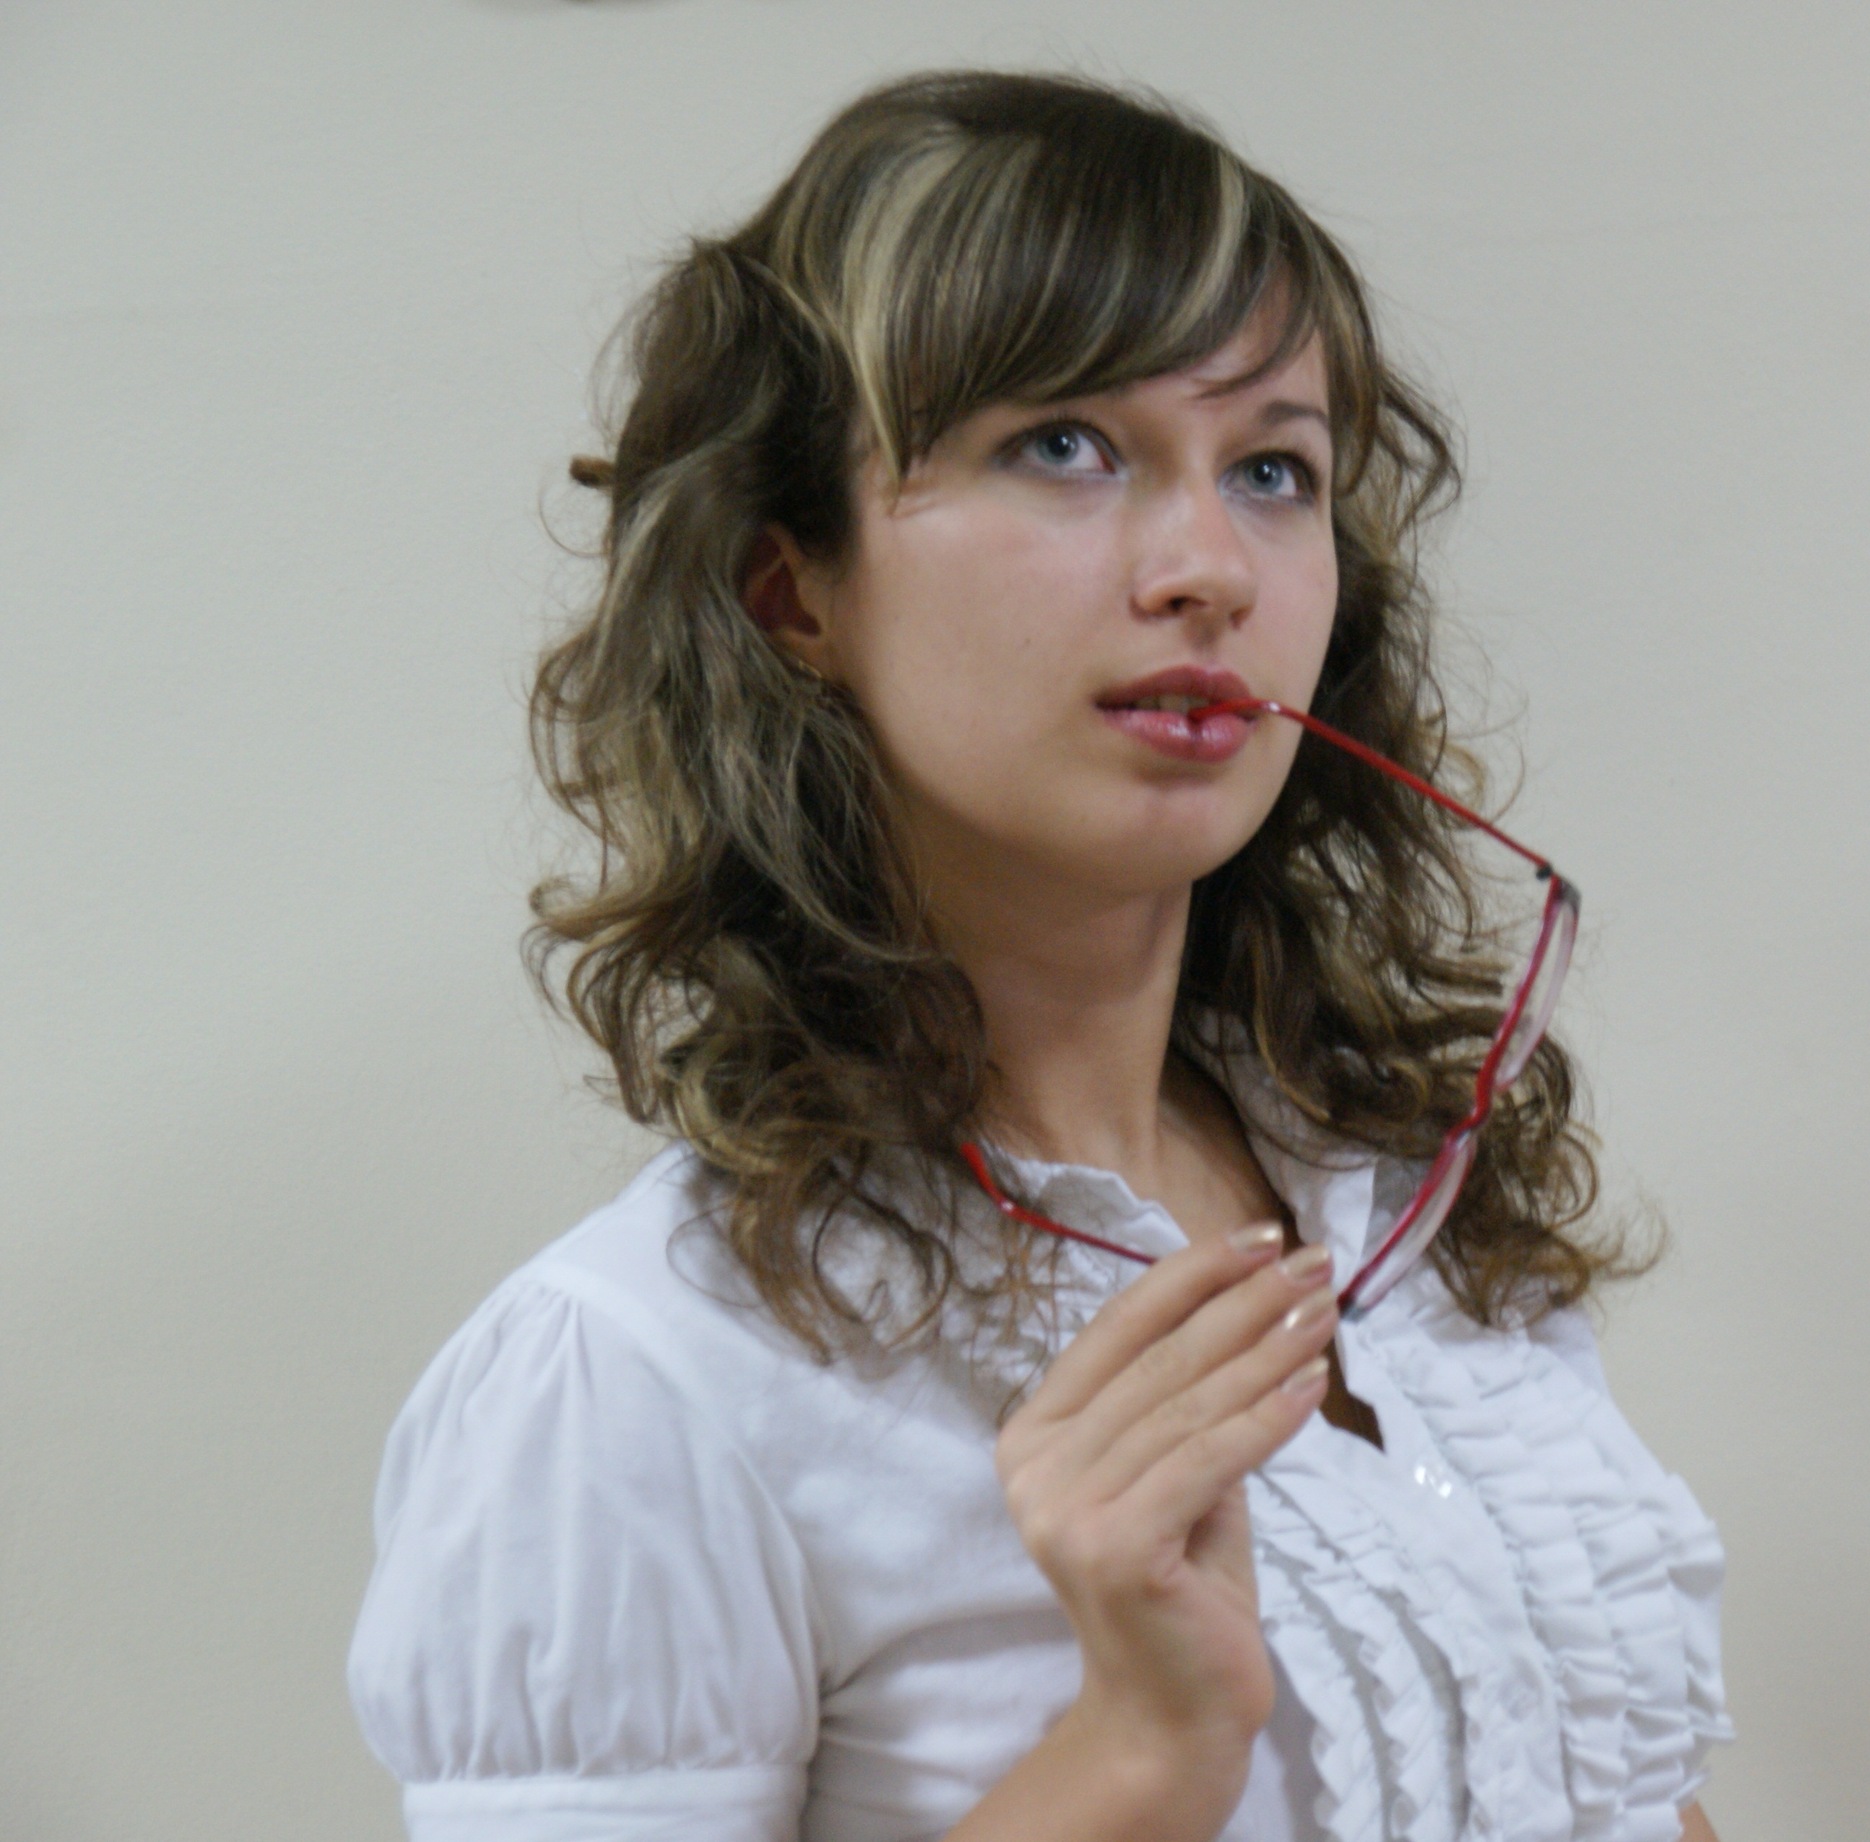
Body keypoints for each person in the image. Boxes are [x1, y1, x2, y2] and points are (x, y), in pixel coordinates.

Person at [347, 69, 1732, 1842]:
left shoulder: (1411, 1216)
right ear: (793, 591)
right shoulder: (636, 1377)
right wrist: (1139, 1751)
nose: (1208, 568)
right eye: (1065, 445)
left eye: (1273, 469)